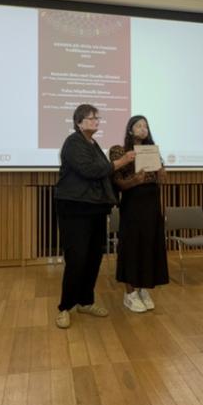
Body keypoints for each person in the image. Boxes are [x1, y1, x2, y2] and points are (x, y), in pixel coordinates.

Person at [54, 104, 136, 329]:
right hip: (75, 209)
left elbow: (103, 170)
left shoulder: (94, 144)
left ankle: (85, 301)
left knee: (93, 258)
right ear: (78, 122)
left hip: (96, 209)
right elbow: (92, 170)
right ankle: (65, 307)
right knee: (77, 259)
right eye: (90, 119)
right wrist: (122, 162)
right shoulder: (73, 143)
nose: (96, 122)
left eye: (97, 118)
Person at [108, 115, 169, 313]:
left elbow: (161, 181)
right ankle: (130, 293)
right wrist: (136, 180)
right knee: (132, 246)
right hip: (133, 205)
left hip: (152, 205)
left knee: (149, 245)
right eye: (138, 125)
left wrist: (162, 175)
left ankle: (143, 289)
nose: (143, 129)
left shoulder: (153, 150)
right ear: (130, 130)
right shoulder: (119, 150)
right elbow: (118, 182)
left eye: (146, 126)